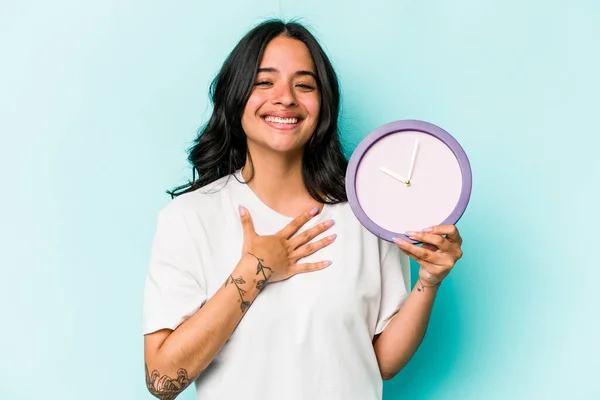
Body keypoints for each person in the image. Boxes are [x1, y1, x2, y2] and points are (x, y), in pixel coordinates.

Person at [142, 18, 464, 400]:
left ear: (323, 104)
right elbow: (162, 380)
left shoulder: (366, 212)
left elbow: (382, 362)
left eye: (304, 85)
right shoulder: (190, 218)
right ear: (236, 95)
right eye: (264, 81)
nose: (286, 97)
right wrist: (255, 270)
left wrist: (428, 279)